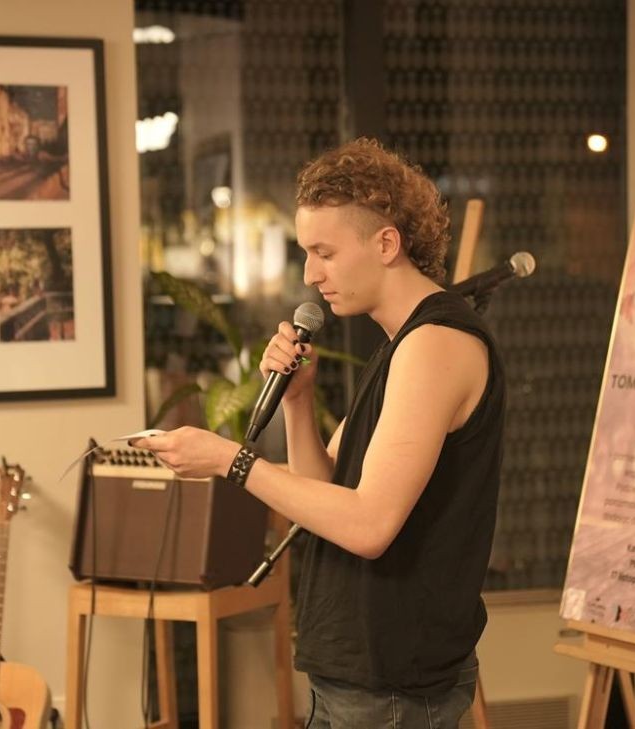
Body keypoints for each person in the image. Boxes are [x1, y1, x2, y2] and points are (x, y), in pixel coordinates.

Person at [133, 138, 506, 726]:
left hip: (394, 679)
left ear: (386, 244)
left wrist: (232, 460)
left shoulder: (435, 344)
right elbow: (326, 496)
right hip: (357, 669)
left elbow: (369, 525)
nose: (311, 274)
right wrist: (299, 402)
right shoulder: (400, 344)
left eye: (324, 253)